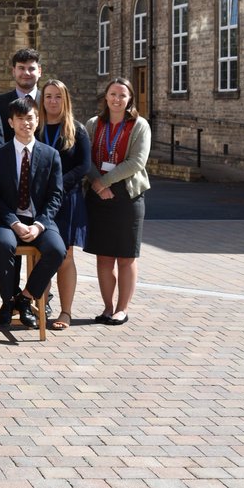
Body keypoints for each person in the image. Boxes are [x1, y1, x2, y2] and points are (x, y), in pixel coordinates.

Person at [0, 96, 66, 331]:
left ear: (37, 119)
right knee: (3, 245)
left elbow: (56, 196)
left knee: (57, 250)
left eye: (30, 118)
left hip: (39, 220)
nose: (26, 123)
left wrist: (39, 225)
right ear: (11, 122)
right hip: (7, 219)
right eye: (20, 119)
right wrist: (13, 222)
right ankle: (7, 301)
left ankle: (25, 297)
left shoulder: (50, 154)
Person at [85, 77, 150, 327]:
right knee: (103, 257)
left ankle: (122, 309)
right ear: (106, 97)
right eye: (113, 94)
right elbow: (85, 157)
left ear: (130, 99)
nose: (117, 99)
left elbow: (137, 162)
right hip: (98, 194)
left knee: (126, 257)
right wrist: (97, 184)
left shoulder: (139, 125)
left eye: (122, 95)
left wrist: (105, 181)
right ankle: (107, 307)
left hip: (127, 196)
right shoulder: (94, 124)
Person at [39, 80, 91, 330]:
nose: (52, 101)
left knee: (65, 257)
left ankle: (66, 312)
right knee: (42, 255)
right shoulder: (35, 127)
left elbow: (84, 165)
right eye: (48, 96)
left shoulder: (76, 129)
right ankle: (38, 310)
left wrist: (58, 183)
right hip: (38, 201)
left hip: (67, 200)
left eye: (58, 96)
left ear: (65, 99)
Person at [0, 48, 42, 143]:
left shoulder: (48, 102)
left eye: (31, 68)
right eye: (21, 68)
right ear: (14, 71)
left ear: (39, 71)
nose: (26, 73)